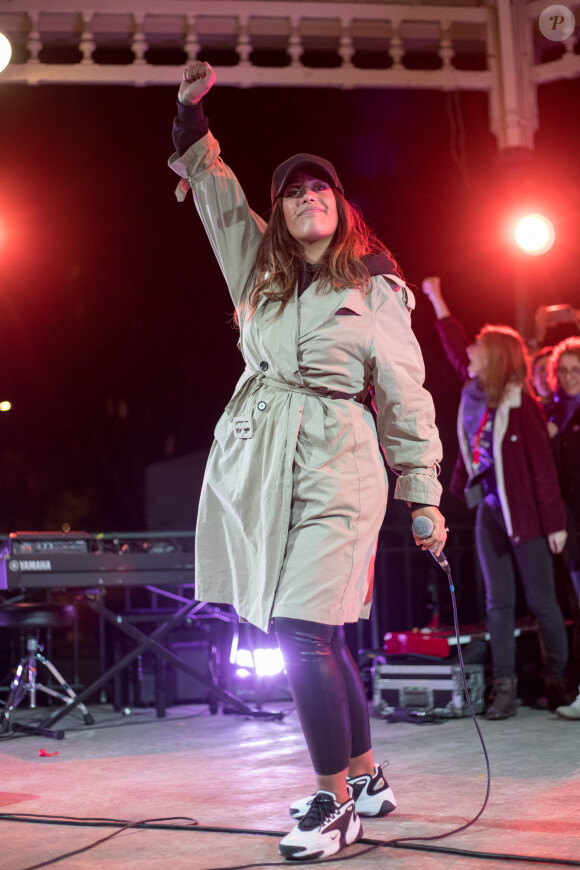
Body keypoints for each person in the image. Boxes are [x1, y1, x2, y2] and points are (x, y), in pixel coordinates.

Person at [169, 62, 447, 861]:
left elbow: (405, 395)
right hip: (266, 465)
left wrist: (423, 497)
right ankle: (365, 777)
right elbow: (217, 196)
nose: (306, 199)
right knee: (317, 635)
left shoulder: (374, 285)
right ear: (282, 215)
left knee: (300, 629)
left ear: (341, 204)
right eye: (292, 194)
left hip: (340, 465)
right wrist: (190, 116)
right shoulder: (260, 269)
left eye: (319, 189)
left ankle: (332, 805)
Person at [422, 276, 569, 719]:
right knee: (497, 603)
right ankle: (503, 690)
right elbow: (454, 346)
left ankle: (561, 686)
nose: (471, 352)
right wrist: (436, 299)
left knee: (543, 602)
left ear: (497, 358)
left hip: (525, 516)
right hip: (489, 511)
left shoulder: (521, 405)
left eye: (480, 349)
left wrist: (556, 523)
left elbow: (543, 472)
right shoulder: (474, 394)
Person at [547, 337, 580, 719]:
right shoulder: (549, 413)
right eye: (564, 370)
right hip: (568, 522)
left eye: (576, 369)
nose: (570, 377)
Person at [531, 346, 555, 416]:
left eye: (550, 369)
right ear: (532, 377)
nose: (546, 374)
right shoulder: (527, 411)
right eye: (541, 369)